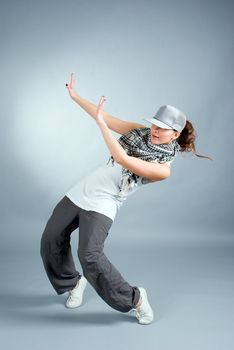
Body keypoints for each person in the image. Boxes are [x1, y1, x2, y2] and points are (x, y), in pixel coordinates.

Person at [40, 73, 212, 325]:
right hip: (84, 188)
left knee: (90, 256)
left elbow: (122, 159)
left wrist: (101, 126)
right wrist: (76, 97)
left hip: (105, 201)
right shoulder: (139, 132)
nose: (154, 131)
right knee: (50, 239)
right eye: (154, 124)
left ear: (175, 134)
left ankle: (136, 300)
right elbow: (107, 118)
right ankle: (72, 283)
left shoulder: (163, 168)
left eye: (162, 129)